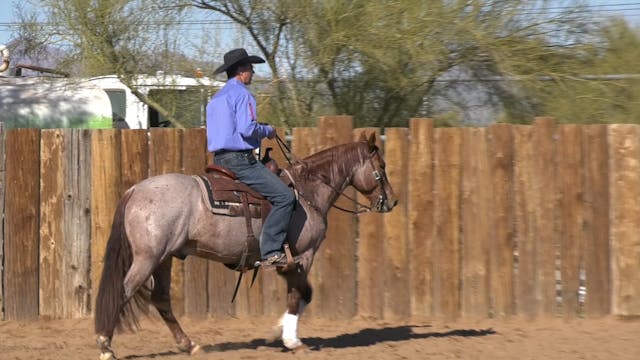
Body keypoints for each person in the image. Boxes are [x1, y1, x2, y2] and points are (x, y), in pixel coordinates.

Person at [206, 48, 295, 267]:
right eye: (250, 68)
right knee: (285, 197)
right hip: (240, 161)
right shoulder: (244, 95)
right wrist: (268, 131)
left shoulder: (216, 98)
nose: (253, 72)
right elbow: (247, 129)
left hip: (219, 161)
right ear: (240, 71)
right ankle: (271, 251)